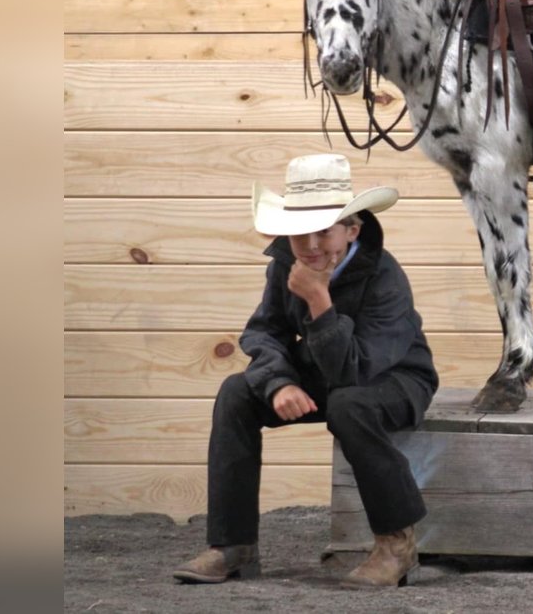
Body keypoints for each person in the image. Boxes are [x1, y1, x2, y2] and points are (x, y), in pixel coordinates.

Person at [173, 153, 438, 589]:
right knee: (236, 393)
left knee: (349, 403)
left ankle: (396, 545)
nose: (312, 246)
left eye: (323, 232)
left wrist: (319, 300)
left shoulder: (386, 277)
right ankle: (232, 545)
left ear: (352, 230)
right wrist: (279, 383)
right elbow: (263, 333)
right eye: (300, 235)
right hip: (329, 371)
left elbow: (356, 370)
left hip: (393, 378)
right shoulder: (284, 266)